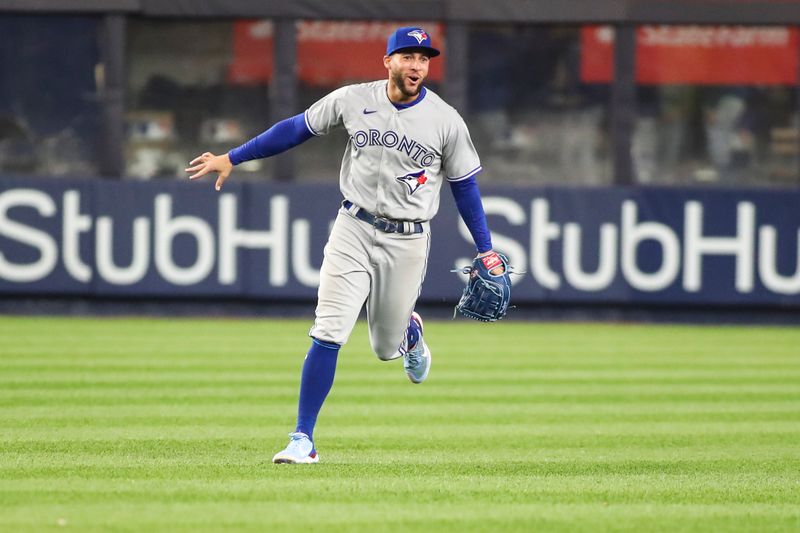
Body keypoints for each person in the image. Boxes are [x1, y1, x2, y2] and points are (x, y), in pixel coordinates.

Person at [186, 26, 503, 464]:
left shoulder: (445, 120)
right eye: (408, 56)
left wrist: (485, 248)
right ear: (388, 61)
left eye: (424, 59)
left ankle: (409, 334)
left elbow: (465, 187)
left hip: (407, 240)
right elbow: (295, 129)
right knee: (328, 329)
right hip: (352, 227)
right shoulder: (354, 99)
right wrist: (232, 157)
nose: (417, 66)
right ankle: (303, 438)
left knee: (383, 348)